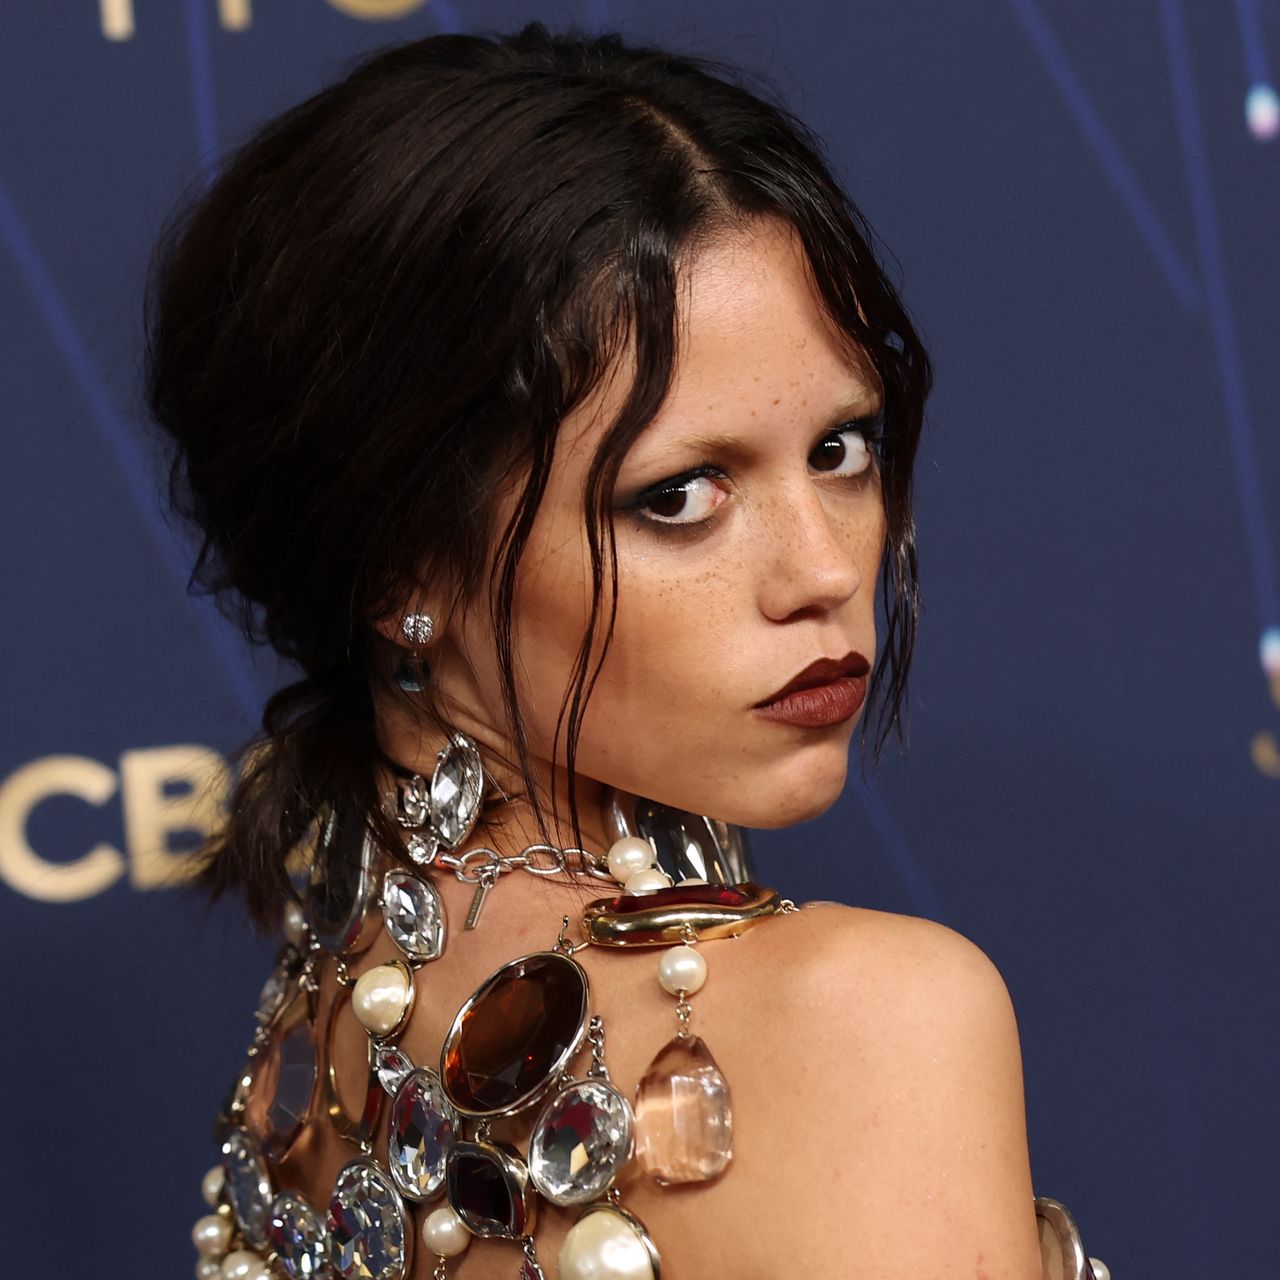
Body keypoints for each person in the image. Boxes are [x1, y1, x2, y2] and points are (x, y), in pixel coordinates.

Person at [148, 23, 1057, 1280]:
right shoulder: (869, 1016)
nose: (822, 570)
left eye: (839, 449)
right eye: (677, 495)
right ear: (401, 567)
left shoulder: (337, 999)